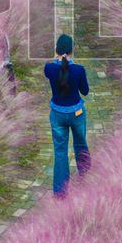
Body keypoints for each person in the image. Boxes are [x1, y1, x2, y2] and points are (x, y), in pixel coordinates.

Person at [44, 33, 90, 197]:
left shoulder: (49, 68)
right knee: (80, 144)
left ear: (56, 50)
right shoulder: (78, 70)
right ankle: (86, 177)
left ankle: (60, 192)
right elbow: (85, 91)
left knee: (60, 152)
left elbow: (56, 68)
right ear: (72, 50)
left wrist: (58, 58)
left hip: (57, 114)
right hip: (76, 114)